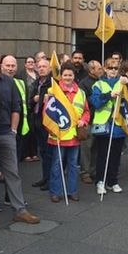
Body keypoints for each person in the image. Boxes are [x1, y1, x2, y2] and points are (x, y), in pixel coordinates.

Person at [0, 46, 40, 224]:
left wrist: (13, 130)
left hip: (6, 133)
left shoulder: (9, 82)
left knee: (12, 173)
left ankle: (19, 210)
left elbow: (16, 107)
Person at [46, 62, 90, 202]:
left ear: (74, 75)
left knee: (73, 165)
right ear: (61, 76)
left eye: (70, 75)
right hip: (58, 135)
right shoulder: (54, 92)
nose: (67, 77)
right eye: (65, 75)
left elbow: (86, 111)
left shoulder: (81, 93)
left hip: (74, 136)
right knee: (57, 164)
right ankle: (55, 191)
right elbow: (47, 112)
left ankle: (72, 191)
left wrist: (84, 120)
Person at [90, 59, 128, 195]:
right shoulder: (99, 84)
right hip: (104, 125)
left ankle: (112, 180)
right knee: (102, 155)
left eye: (115, 68)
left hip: (119, 124)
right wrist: (109, 95)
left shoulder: (123, 82)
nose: (113, 70)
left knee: (115, 155)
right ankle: (100, 181)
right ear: (105, 69)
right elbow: (95, 102)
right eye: (110, 68)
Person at [78, 60, 104, 184]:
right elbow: (84, 101)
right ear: (91, 70)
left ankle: (93, 171)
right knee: (86, 148)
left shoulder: (102, 81)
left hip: (100, 119)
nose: (101, 70)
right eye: (98, 68)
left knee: (97, 147)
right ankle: (85, 172)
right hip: (89, 120)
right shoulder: (83, 84)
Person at [30, 58, 53, 191]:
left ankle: (50, 180)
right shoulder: (35, 83)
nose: (42, 69)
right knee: (43, 153)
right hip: (37, 121)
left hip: (47, 123)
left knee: (49, 153)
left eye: (44, 66)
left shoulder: (52, 83)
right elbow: (29, 102)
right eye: (39, 66)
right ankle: (45, 177)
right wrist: (33, 99)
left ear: (49, 68)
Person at [20, 55, 39, 162]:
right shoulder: (21, 75)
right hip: (26, 105)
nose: (31, 64)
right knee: (27, 131)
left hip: (35, 106)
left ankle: (34, 153)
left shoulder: (37, 74)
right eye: (29, 62)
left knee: (34, 131)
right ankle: (26, 154)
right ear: (25, 64)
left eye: (32, 62)